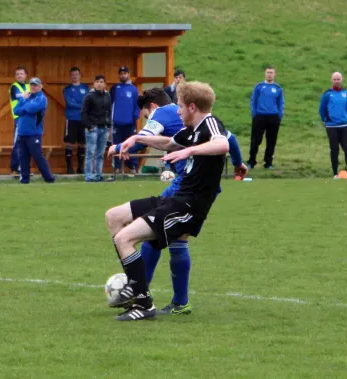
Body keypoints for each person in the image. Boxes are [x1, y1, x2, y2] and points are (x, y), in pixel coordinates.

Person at [108, 87, 247, 316]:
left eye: (180, 106)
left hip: (188, 205)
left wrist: (189, 152)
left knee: (129, 238)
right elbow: (168, 143)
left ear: (192, 107)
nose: (177, 111)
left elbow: (222, 144)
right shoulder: (191, 129)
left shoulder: (210, 124)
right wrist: (136, 138)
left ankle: (141, 300)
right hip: (176, 197)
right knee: (114, 216)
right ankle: (137, 289)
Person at [13, 77, 56, 184]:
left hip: (34, 133)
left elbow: (31, 109)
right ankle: (24, 179)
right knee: (23, 157)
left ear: (40, 86)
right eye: (31, 85)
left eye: (35, 85)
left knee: (37, 156)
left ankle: (49, 178)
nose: (33, 87)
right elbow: (16, 110)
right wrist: (24, 102)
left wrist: (25, 102)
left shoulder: (42, 98)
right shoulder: (26, 97)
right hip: (22, 132)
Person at [319, 72, 347, 179]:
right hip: (332, 127)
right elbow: (322, 109)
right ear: (332, 80)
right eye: (334, 79)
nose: (336, 81)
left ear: (342, 80)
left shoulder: (346, 93)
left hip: (344, 125)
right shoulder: (327, 94)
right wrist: (326, 120)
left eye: (338, 79)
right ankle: (335, 173)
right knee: (334, 150)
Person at [247, 66, 284, 170]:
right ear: (265, 74)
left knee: (271, 141)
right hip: (260, 116)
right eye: (268, 72)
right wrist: (255, 114)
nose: (269, 74)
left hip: (273, 117)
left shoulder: (278, 88)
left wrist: (279, 114)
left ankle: (268, 163)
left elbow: (280, 102)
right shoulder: (259, 87)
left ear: (274, 74)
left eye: (271, 73)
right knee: (255, 140)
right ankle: (251, 162)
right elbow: (253, 101)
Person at [110, 66, 140, 176]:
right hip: (117, 123)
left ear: (128, 74)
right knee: (117, 145)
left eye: (125, 73)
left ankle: (133, 167)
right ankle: (117, 168)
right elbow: (110, 103)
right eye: (121, 73)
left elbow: (137, 104)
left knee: (132, 145)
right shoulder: (115, 88)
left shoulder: (133, 89)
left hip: (130, 123)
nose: (123, 75)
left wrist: (135, 117)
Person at [81, 75, 112, 182]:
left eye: (102, 82)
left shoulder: (107, 96)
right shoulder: (89, 96)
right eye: (97, 82)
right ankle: (89, 175)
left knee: (100, 153)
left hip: (104, 128)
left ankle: (99, 175)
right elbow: (84, 113)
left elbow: (109, 111)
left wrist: (109, 125)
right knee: (90, 152)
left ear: (105, 84)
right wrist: (89, 126)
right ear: (94, 84)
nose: (99, 84)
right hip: (93, 128)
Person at [63, 67, 90, 174]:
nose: (75, 76)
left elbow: (89, 101)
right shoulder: (67, 89)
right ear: (70, 76)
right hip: (71, 119)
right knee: (69, 143)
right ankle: (69, 168)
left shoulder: (86, 88)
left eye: (76, 74)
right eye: (73, 74)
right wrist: (83, 105)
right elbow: (70, 103)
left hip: (83, 119)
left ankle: (80, 167)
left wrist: (84, 107)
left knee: (82, 143)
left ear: (80, 75)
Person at [9, 66, 30, 175]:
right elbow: (21, 98)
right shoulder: (14, 87)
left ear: (26, 75)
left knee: (27, 143)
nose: (19, 76)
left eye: (21, 73)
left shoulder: (29, 86)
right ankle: (15, 168)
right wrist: (27, 96)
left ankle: (24, 168)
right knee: (17, 142)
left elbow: (34, 99)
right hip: (19, 118)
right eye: (17, 74)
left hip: (29, 119)